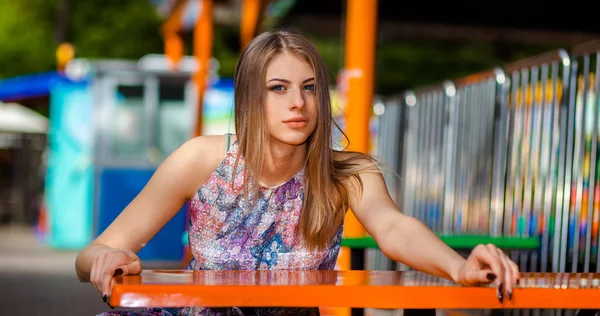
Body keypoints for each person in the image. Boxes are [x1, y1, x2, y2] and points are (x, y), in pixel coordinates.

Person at [75, 30, 519, 316]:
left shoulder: (348, 172)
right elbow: (91, 255)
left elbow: (394, 228)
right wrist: (107, 260)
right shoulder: (202, 160)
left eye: (309, 88)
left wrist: (459, 267)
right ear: (251, 98)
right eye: (278, 88)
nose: (298, 104)